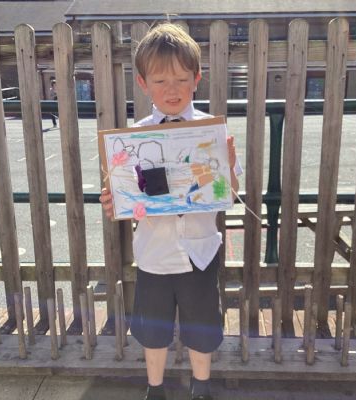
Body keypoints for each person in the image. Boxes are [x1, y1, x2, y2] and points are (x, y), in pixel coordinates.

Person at [100, 23, 240, 400]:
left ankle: (202, 386)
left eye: (181, 79)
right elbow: (127, 197)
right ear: (143, 84)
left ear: (197, 79)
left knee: (202, 326)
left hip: (200, 251)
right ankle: (155, 388)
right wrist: (116, 202)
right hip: (154, 254)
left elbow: (228, 194)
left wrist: (227, 168)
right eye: (160, 81)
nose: (172, 89)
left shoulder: (210, 132)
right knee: (153, 329)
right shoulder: (131, 141)